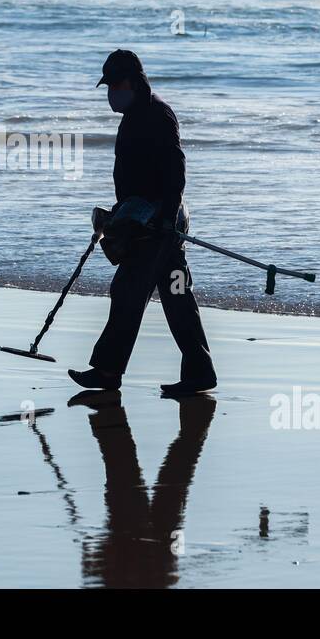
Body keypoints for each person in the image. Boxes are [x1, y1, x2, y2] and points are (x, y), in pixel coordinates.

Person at [69, 49, 217, 397]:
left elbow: (175, 170)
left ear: (133, 83)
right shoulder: (136, 114)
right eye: (107, 86)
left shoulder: (156, 115)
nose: (110, 93)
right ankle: (200, 372)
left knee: (128, 290)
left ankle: (107, 371)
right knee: (177, 294)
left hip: (159, 223)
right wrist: (118, 213)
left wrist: (165, 217)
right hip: (148, 220)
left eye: (115, 85)